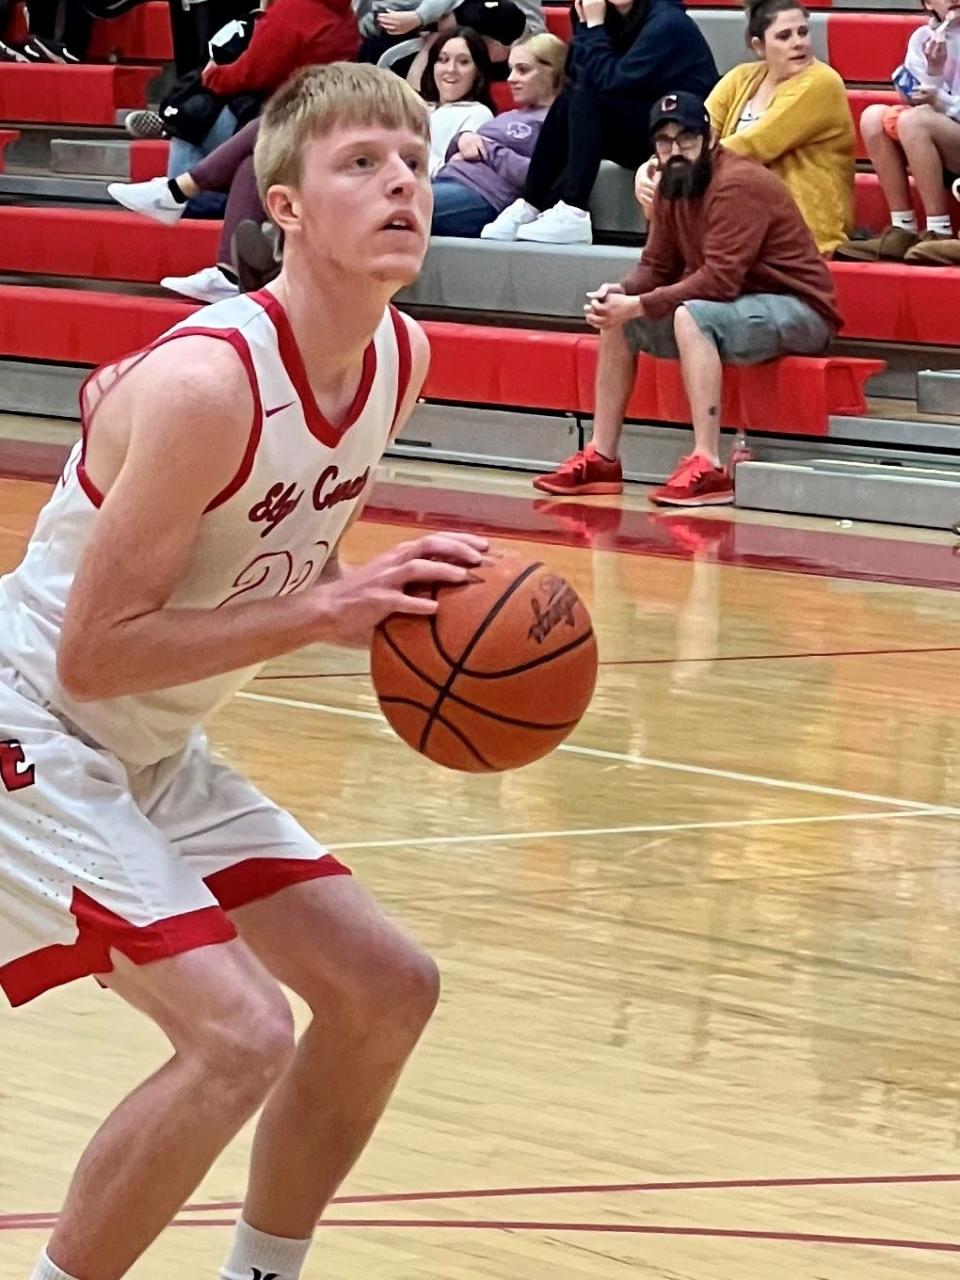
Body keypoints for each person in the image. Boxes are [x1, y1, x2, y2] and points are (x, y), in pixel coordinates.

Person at [0, 62, 489, 1280]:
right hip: (35, 725)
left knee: (385, 987)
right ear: (283, 207)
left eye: (416, 164)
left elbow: (264, 546)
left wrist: (386, 594)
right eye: (360, 165)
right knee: (238, 1032)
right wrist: (325, 609)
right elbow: (93, 650)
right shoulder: (208, 382)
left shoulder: (402, 357)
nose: (400, 188)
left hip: (152, 746)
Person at [533, 91, 842, 506]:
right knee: (617, 316)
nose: (676, 150)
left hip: (798, 309)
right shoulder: (672, 182)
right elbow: (656, 266)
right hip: (737, 308)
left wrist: (641, 304)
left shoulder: (738, 183)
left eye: (687, 138)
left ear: (711, 138)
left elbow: (720, 281)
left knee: (690, 316)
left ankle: (708, 463)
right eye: (665, 141)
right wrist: (621, 293)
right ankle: (602, 457)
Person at [106, 26, 495, 303]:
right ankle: (222, 263)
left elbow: (433, 170)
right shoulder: (414, 106)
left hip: (376, 190)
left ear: (479, 71)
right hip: (353, 179)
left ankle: (180, 191)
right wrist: (428, 45)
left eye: (463, 62)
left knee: (272, 130)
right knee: (255, 161)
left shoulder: (475, 114)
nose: (450, 69)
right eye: (443, 59)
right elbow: (409, 85)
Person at [480, 0, 717, 245]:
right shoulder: (604, 16)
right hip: (641, 122)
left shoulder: (668, 22)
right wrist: (585, 24)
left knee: (588, 96)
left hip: (681, 135)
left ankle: (574, 210)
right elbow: (573, 74)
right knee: (570, 98)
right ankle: (530, 204)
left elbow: (612, 81)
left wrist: (593, 27)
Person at [107, 0, 359, 228]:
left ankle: (176, 189)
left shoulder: (293, 10)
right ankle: (175, 184)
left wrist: (212, 76)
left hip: (280, 119)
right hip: (312, 114)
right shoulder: (344, 14)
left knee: (189, 117)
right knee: (202, 113)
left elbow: (253, 73)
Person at [636, 0, 854, 256]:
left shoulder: (822, 82)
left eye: (803, 32)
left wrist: (672, 164)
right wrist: (651, 165)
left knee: (678, 177)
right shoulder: (741, 77)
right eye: (784, 36)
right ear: (758, 46)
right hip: (740, 217)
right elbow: (695, 128)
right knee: (659, 186)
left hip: (801, 233)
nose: (798, 43)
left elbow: (753, 146)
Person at [834, 0, 960, 264]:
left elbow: (933, 106)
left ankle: (939, 230)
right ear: (927, 3)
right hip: (939, 134)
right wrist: (933, 73)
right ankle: (903, 228)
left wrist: (939, 99)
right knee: (873, 117)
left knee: (914, 121)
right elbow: (919, 96)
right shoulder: (922, 38)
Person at [431, 30, 566, 235]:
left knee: (386, 209)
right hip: (446, 181)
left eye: (523, 70)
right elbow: (466, 149)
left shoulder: (558, 121)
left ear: (552, 71)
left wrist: (489, 149)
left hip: (484, 195)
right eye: (511, 69)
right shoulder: (509, 115)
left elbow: (543, 177)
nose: (511, 79)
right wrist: (463, 138)